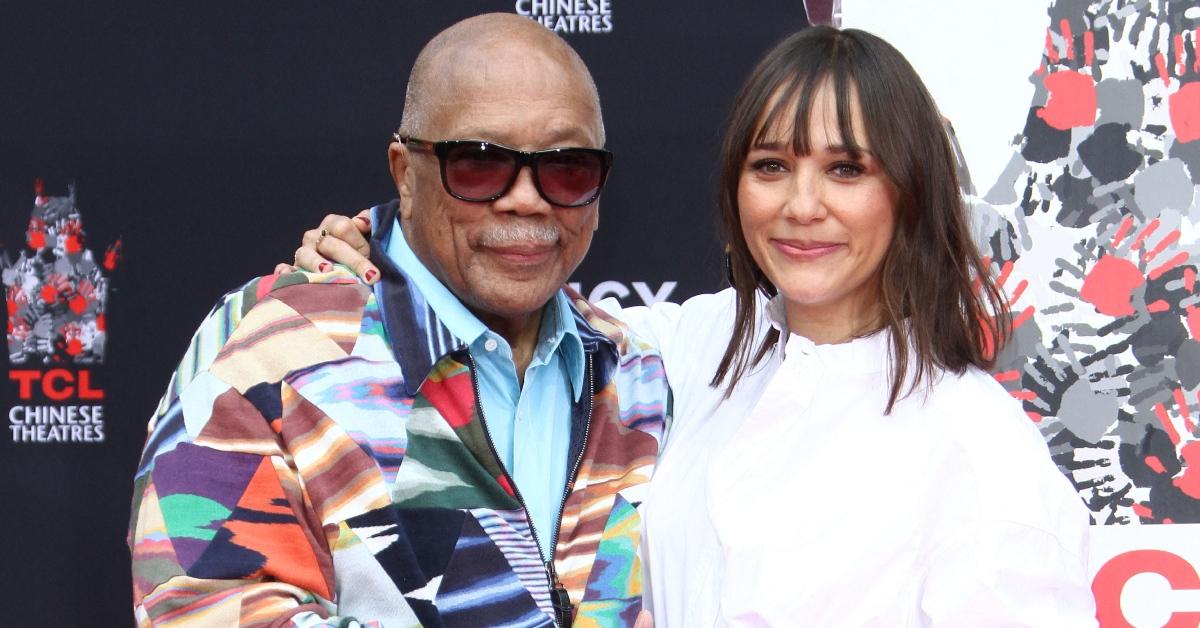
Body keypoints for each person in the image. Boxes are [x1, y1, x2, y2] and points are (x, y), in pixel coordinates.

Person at [294, 26, 1098, 626]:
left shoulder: (979, 448)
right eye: (772, 166)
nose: (801, 205)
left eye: (847, 169)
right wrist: (371, 250)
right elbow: (489, 295)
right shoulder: (674, 350)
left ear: (911, 191)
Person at [129, 13, 668, 627]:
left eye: (568, 167)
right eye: (479, 164)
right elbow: (200, 609)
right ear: (406, 173)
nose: (527, 197)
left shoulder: (637, 368)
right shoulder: (270, 346)